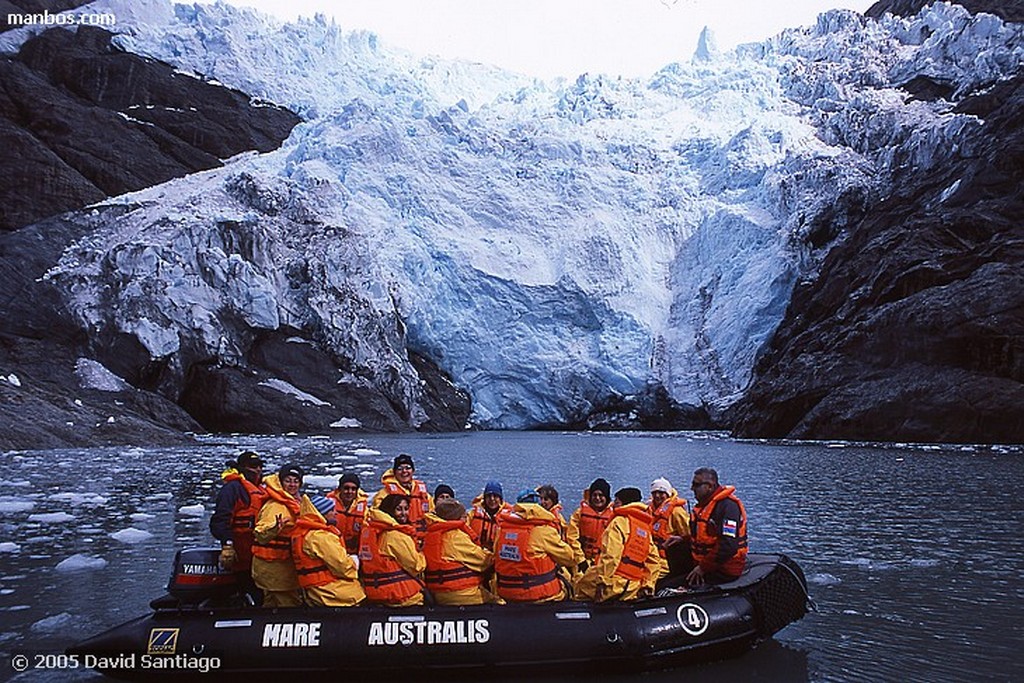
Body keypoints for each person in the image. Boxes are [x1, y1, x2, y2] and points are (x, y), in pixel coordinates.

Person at [575, 488, 660, 602]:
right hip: (633, 587)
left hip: (613, 586)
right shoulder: (644, 527)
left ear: (624, 503)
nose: (613, 505)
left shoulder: (618, 523)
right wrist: (648, 585)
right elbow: (654, 560)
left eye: (616, 502)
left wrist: (602, 583)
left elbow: (611, 556)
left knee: (580, 585)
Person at [493, 491, 576, 603]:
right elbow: (570, 558)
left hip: (506, 593)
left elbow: (495, 554)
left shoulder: (502, 530)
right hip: (539, 596)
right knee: (568, 580)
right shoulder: (543, 531)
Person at [209, 450, 267, 604]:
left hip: (259, 557)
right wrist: (227, 544)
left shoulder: (262, 490)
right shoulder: (233, 489)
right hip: (241, 556)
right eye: (254, 466)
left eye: (260, 466)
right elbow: (220, 521)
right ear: (242, 467)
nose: (258, 470)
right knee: (253, 593)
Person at [290, 495, 366, 607]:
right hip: (332, 594)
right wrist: (355, 561)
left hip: (315, 592)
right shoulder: (321, 537)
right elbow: (342, 565)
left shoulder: (304, 532)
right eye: (331, 510)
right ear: (322, 514)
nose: (335, 513)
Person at [423, 499, 497, 605]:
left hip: (438, 592)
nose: (466, 518)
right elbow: (483, 561)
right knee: (498, 602)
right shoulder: (455, 537)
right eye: (463, 516)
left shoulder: (431, 534)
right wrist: (494, 555)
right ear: (455, 517)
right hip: (462, 593)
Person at [252, 464, 304, 607]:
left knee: (271, 606)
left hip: (284, 569)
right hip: (274, 571)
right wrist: (275, 528)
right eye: (288, 480)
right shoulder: (275, 506)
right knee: (287, 607)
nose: (292, 484)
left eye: (296, 481)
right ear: (281, 482)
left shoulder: (297, 503)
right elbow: (260, 534)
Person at [359, 493, 426, 606]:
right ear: (389, 510)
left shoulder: (374, 530)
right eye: (399, 509)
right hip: (402, 597)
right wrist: (421, 554)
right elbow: (416, 566)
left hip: (377, 593)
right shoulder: (395, 536)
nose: (403, 513)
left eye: (406, 509)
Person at [687, 467, 748, 586]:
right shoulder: (705, 506)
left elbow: (728, 545)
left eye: (696, 485)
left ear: (710, 486)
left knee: (677, 585)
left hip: (724, 569)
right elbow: (703, 536)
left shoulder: (728, 507)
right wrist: (683, 538)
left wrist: (702, 568)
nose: (692, 488)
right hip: (706, 564)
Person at [373, 454, 433, 542]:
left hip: (422, 538)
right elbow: (376, 515)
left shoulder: (424, 494)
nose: (404, 471)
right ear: (394, 472)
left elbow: (433, 513)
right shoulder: (384, 494)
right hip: (399, 538)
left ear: (413, 471)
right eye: (400, 469)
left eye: (408, 468)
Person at [648, 477, 691, 579]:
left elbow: (688, 536)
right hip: (652, 556)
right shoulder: (649, 510)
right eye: (655, 493)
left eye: (661, 492)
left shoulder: (677, 512)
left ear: (668, 494)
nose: (657, 496)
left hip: (668, 560)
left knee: (649, 575)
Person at [567, 478, 614, 571]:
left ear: (607, 497)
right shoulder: (579, 513)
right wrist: (581, 560)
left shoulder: (614, 516)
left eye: (601, 495)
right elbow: (572, 537)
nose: (597, 498)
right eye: (594, 495)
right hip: (581, 560)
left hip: (602, 562)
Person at [326, 473, 367, 554]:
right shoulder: (328, 505)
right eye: (346, 488)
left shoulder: (365, 510)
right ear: (339, 489)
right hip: (332, 550)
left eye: (353, 489)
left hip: (354, 553)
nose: (349, 492)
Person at [467, 480, 512, 550]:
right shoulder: (472, 514)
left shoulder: (509, 516)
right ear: (484, 498)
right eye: (489, 496)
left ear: (500, 499)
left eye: (495, 496)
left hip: (497, 556)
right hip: (476, 554)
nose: (492, 499)